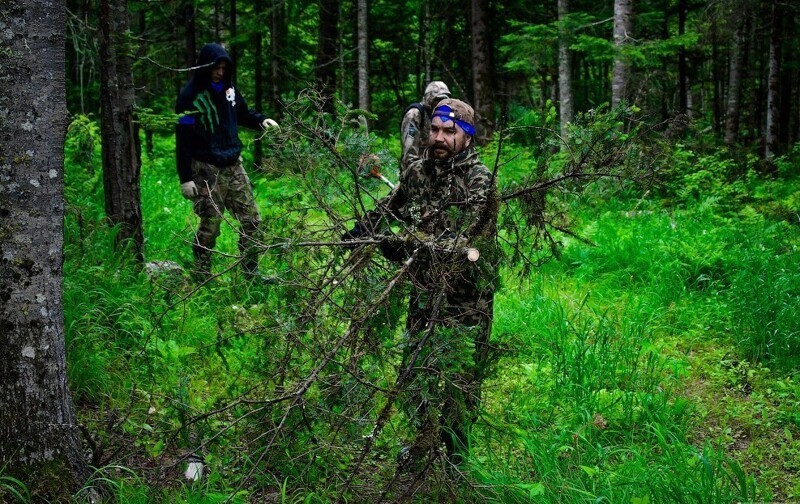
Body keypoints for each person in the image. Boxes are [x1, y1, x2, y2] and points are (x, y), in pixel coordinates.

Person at [344, 99, 499, 465]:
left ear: (468, 136)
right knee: (416, 369)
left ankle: (456, 456)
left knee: (461, 380)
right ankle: (422, 445)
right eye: (435, 130)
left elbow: (466, 243)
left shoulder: (480, 180)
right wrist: (362, 231)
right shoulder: (418, 171)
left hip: (468, 297)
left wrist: (401, 246)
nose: (440, 138)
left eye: (450, 131)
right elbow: (391, 206)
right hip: (425, 290)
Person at [175, 42, 279, 281]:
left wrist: (261, 120)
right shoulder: (190, 96)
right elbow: (183, 138)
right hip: (206, 168)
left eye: (223, 67)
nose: (220, 72)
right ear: (206, 66)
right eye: (215, 67)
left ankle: (251, 272)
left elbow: (242, 113)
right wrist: (185, 178)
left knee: (252, 219)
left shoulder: (229, 89)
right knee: (211, 226)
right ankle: (202, 274)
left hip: (233, 164)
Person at [399, 81, 451, 170]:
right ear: (430, 98)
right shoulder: (414, 114)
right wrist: (414, 173)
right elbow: (409, 150)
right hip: (417, 170)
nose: (441, 103)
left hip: (433, 169)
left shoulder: (439, 115)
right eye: (437, 100)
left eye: (444, 100)